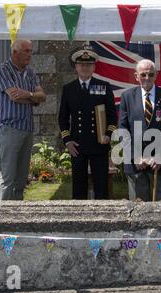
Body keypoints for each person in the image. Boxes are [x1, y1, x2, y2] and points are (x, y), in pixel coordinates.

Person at [58, 44, 117, 199]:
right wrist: (67, 141)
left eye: (89, 64)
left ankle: (104, 220)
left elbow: (112, 115)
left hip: (99, 144)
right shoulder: (68, 89)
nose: (85, 67)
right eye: (81, 64)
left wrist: (108, 134)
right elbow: (62, 118)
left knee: (101, 187)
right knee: (78, 187)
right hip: (77, 145)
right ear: (76, 66)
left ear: (94, 67)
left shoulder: (103, 86)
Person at [118, 59, 161, 201]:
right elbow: (123, 129)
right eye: (143, 75)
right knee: (138, 207)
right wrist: (134, 155)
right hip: (137, 163)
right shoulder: (127, 97)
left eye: (151, 74)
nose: (147, 78)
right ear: (136, 76)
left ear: (156, 75)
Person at [0, 39, 46, 200]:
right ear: (15, 52)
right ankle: (3, 219)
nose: (30, 54)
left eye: (30, 51)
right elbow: (14, 97)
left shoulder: (30, 72)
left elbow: (42, 96)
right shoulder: (4, 70)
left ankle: (17, 218)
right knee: (8, 177)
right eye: (26, 51)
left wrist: (28, 95)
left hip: (27, 128)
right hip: (9, 128)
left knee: (21, 179)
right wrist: (32, 98)